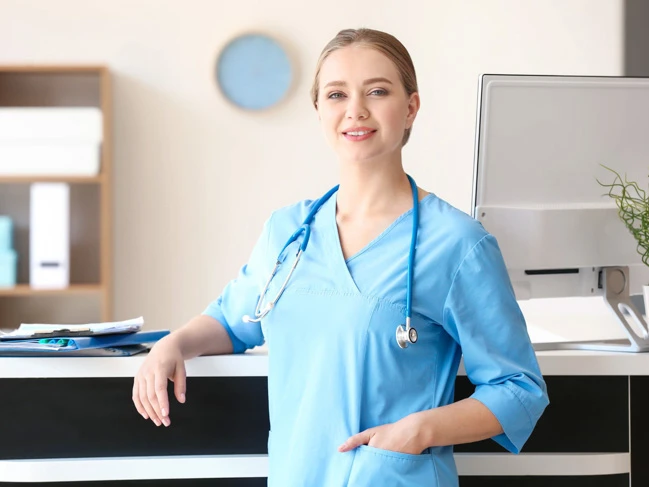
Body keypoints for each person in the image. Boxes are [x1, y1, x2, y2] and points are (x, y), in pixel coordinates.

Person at [132, 27, 549, 487]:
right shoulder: (288, 232)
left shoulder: (456, 243)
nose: (356, 110)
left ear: (410, 107)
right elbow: (235, 322)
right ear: (318, 110)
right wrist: (172, 345)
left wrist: (418, 430)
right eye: (336, 94)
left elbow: (518, 388)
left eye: (377, 91)